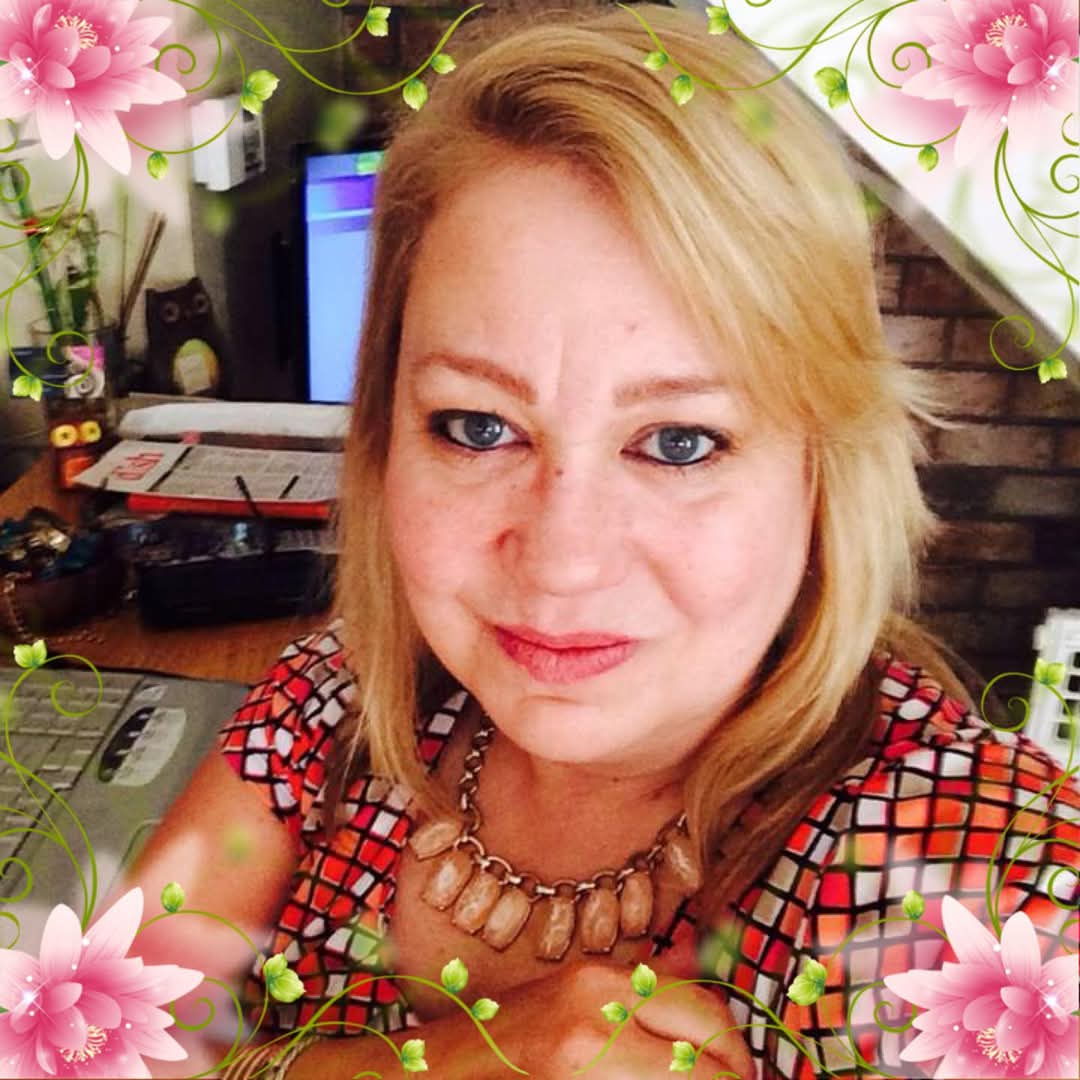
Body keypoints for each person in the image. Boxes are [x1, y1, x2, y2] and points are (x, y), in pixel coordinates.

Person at [117, 4, 1080, 1078]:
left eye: (679, 442)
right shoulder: (329, 705)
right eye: (477, 426)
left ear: (823, 467)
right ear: (385, 434)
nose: (561, 562)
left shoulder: (968, 897)